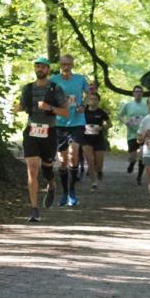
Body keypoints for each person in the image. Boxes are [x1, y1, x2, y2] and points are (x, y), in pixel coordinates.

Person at [18, 56, 69, 222]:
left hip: (49, 131)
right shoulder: (28, 88)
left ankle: (52, 184)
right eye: (37, 66)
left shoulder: (56, 89)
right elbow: (23, 106)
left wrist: (50, 108)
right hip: (32, 130)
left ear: (48, 70)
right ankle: (34, 209)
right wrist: (17, 108)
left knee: (47, 167)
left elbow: (65, 112)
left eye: (43, 67)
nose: (39, 69)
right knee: (32, 168)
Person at [50, 54, 89, 206]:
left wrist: (83, 105)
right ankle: (65, 192)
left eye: (68, 64)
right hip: (60, 124)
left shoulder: (80, 79)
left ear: (72, 65)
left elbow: (90, 93)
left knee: (74, 156)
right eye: (63, 64)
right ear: (60, 65)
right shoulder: (54, 80)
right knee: (63, 161)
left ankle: (72, 192)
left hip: (77, 122)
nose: (66, 66)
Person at [81, 91, 111, 192]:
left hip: (98, 139)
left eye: (95, 99)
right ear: (88, 101)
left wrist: (102, 127)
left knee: (99, 165)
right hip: (86, 139)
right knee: (90, 161)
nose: (93, 101)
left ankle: (99, 171)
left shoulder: (102, 112)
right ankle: (93, 183)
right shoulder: (83, 112)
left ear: (98, 101)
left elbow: (109, 124)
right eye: (91, 99)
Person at [118, 85, 148, 185]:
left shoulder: (146, 105)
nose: (138, 93)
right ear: (133, 93)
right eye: (136, 91)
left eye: (140, 92)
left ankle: (139, 177)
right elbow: (120, 115)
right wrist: (126, 122)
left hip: (144, 134)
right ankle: (132, 163)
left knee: (143, 155)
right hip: (132, 134)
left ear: (142, 94)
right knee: (132, 156)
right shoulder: (128, 105)